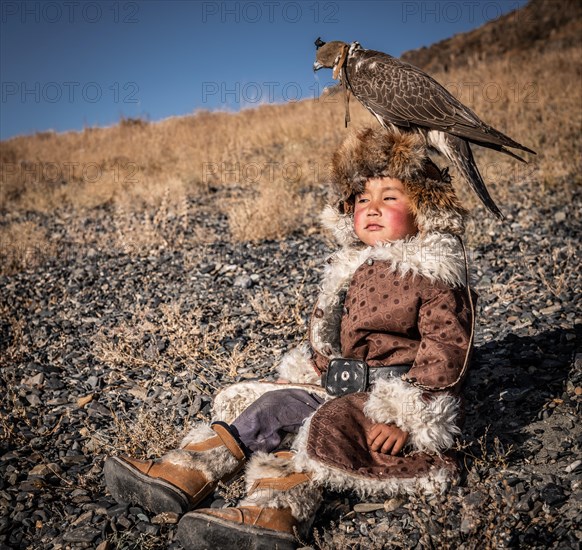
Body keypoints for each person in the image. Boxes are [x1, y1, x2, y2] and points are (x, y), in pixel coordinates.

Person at [104, 127, 476, 549]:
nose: (371, 208)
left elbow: (447, 349)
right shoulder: (351, 265)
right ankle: (189, 471)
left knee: (322, 429)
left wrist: (406, 415)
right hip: (340, 385)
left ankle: (275, 513)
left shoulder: (434, 273)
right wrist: (315, 370)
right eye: (360, 199)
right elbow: (331, 334)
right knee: (275, 407)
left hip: (388, 398)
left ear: (423, 208)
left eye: (389, 197)